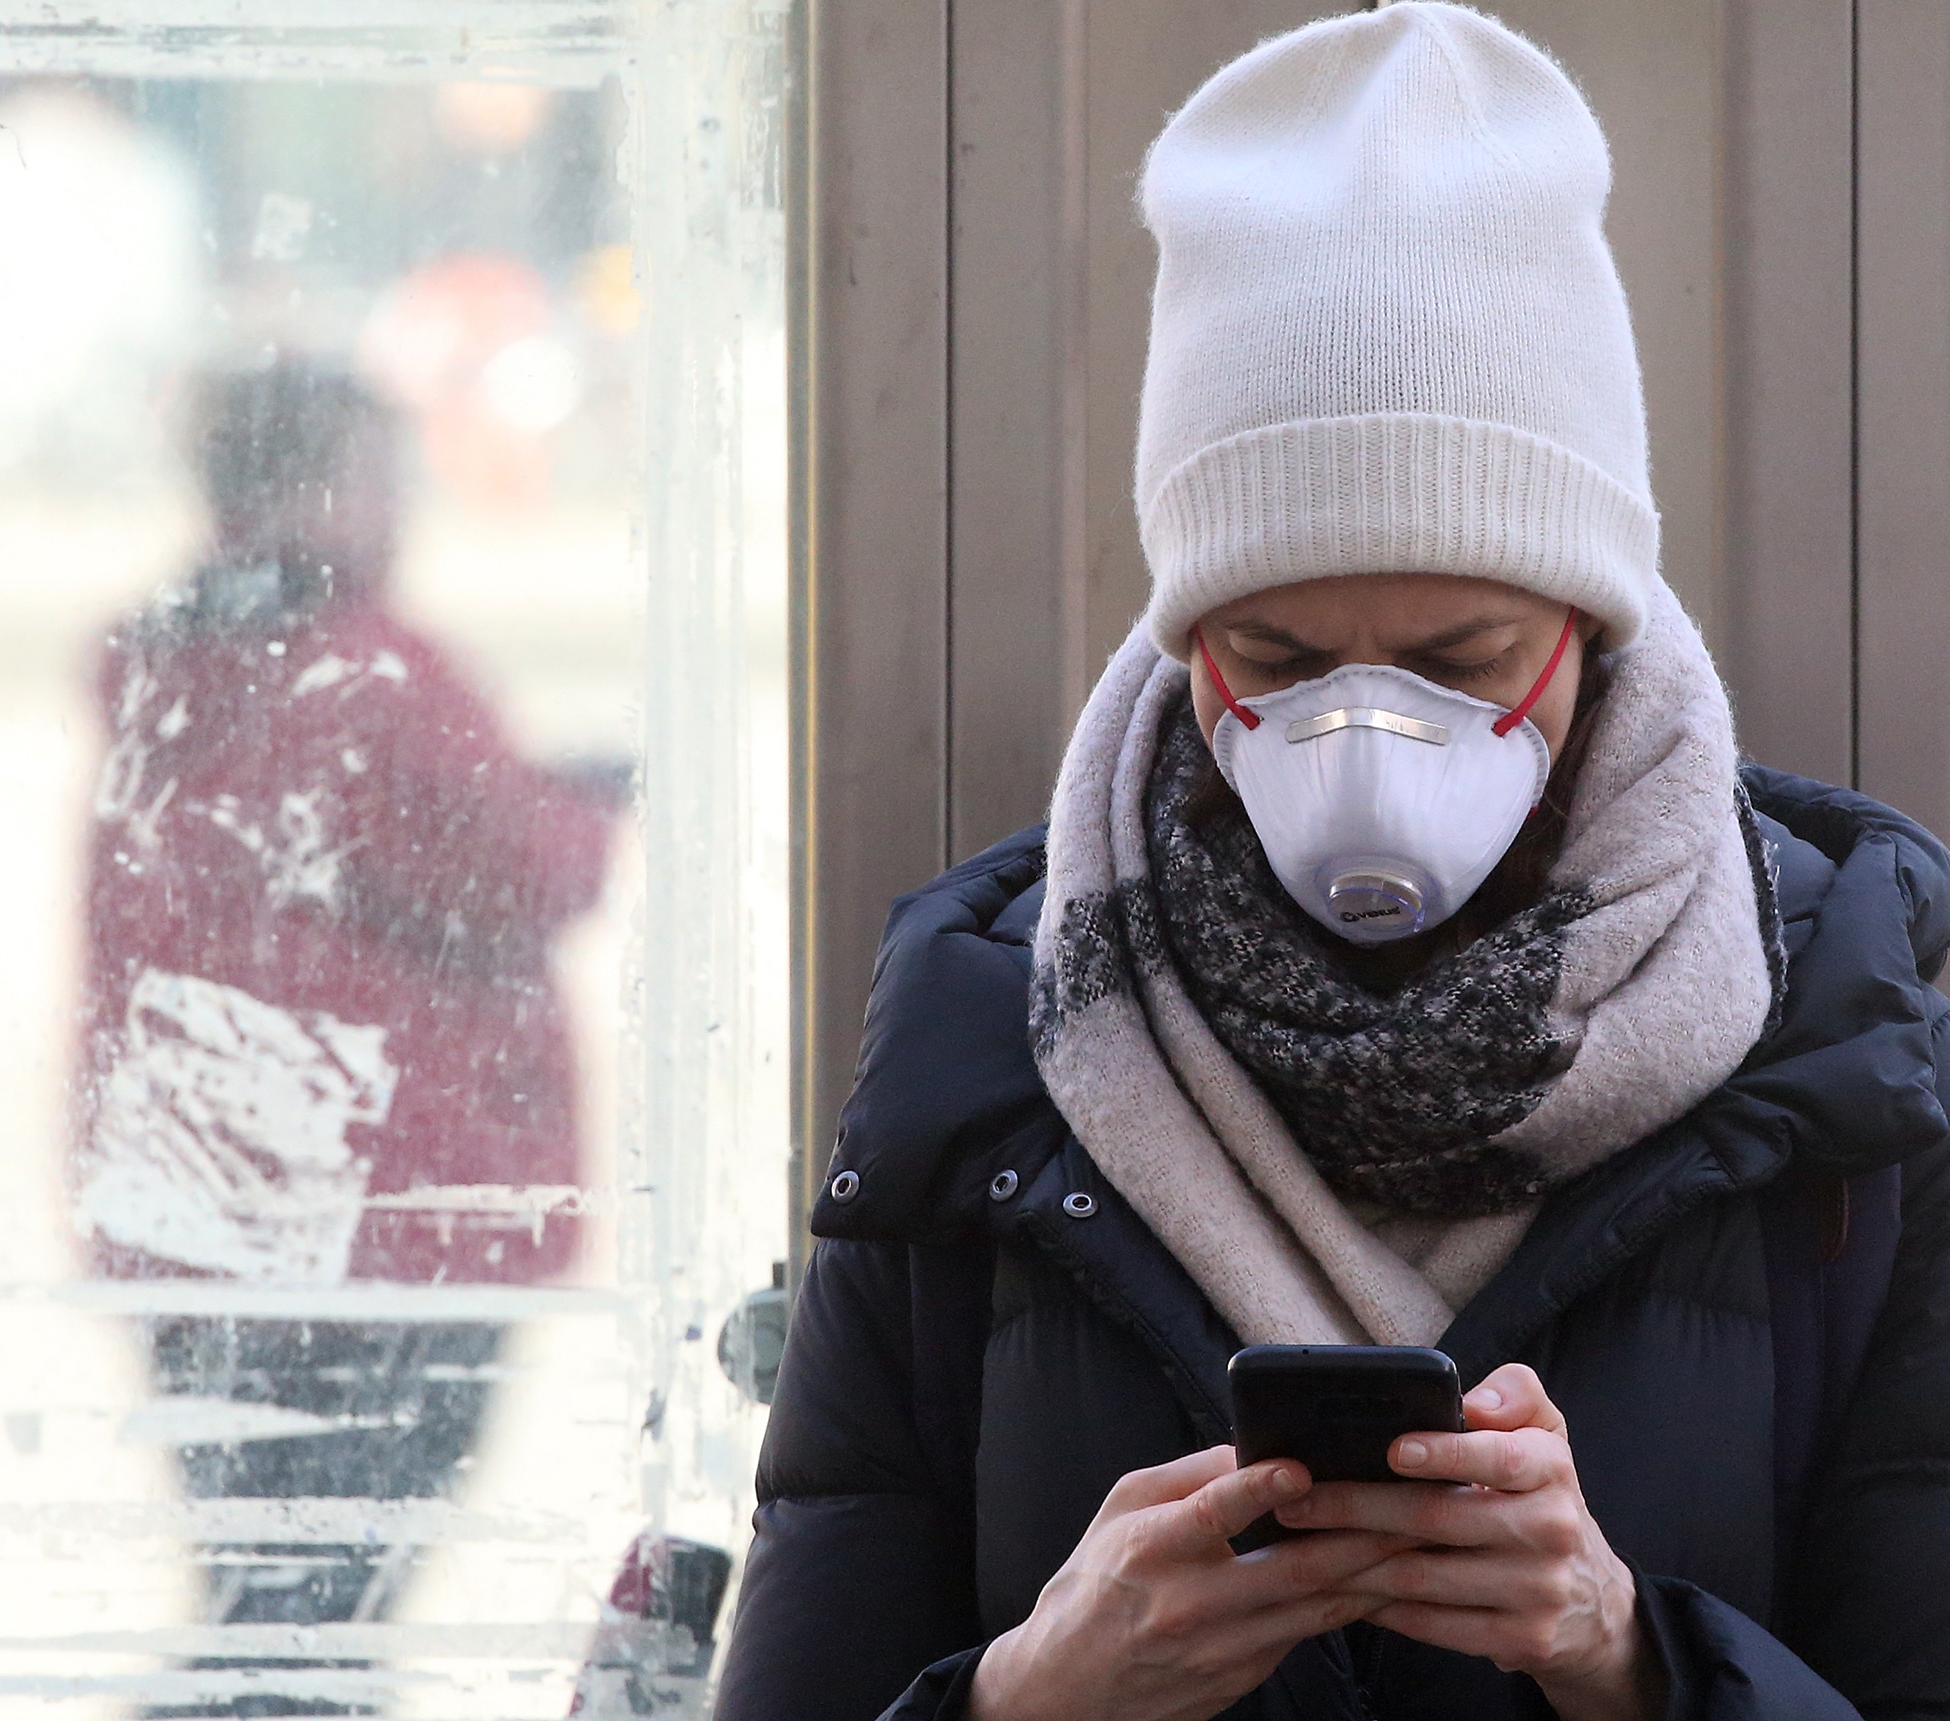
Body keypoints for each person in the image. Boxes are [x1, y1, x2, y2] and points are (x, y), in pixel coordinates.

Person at [713, 8, 1950, 1720]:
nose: (1368, 745)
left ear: (1591, 624)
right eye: (1280, 660)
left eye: (1458, 654)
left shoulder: (1845, 1066)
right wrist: (1025, 1699)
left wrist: (1625, 1654)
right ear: (1187, 637)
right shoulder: (983, 1052)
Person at [69, 359, 613, 1705]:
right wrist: (587, 801)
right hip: (385, 1223)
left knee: (265, 1593)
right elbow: (515, 868)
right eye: (382, 475)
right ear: (310, 487)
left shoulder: (169, 671)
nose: (403, 507)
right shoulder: (363, 672)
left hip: (200, 1208)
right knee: (322, 1615)